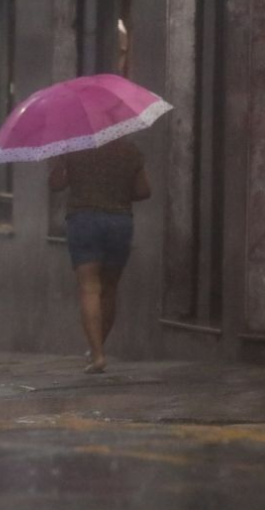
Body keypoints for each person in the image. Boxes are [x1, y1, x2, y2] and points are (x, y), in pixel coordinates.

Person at [49, 138, 151, 374]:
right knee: (110, 288)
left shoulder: (74, 146)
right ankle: (98, 348)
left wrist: (59, 161)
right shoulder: (130, 149)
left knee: (89, 288)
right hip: (119, 221)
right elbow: (144, 190)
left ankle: (97, 355)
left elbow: (56, 185)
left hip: (84, 221)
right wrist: (117, 191)